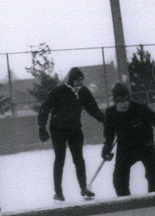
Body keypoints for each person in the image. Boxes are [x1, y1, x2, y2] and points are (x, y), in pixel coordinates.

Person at [101, 83, 155, 195]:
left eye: (126, 100)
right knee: (119, 177)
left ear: (129, 99)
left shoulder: (140, 108)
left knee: (154, 170)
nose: (123, 104)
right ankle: (124, 200)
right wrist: (107, 147)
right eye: (120, 101)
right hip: (126, 148)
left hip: (145, 145)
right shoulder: (111, 113)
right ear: (115, 102)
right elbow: (109, 132)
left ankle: (154, 195)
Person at [37, 67, 105, 201]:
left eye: (81, 80)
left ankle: (83, 187)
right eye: (77, 80)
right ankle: (58, 192)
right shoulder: (59, 91)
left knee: (79, 159)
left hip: (74, 128)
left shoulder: (83, 93)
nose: (80, 83)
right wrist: (42, 127)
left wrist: (105, 120)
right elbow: (45, 108)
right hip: (58, 129)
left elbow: (93, 109)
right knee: (60, 158)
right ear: (71, 80)